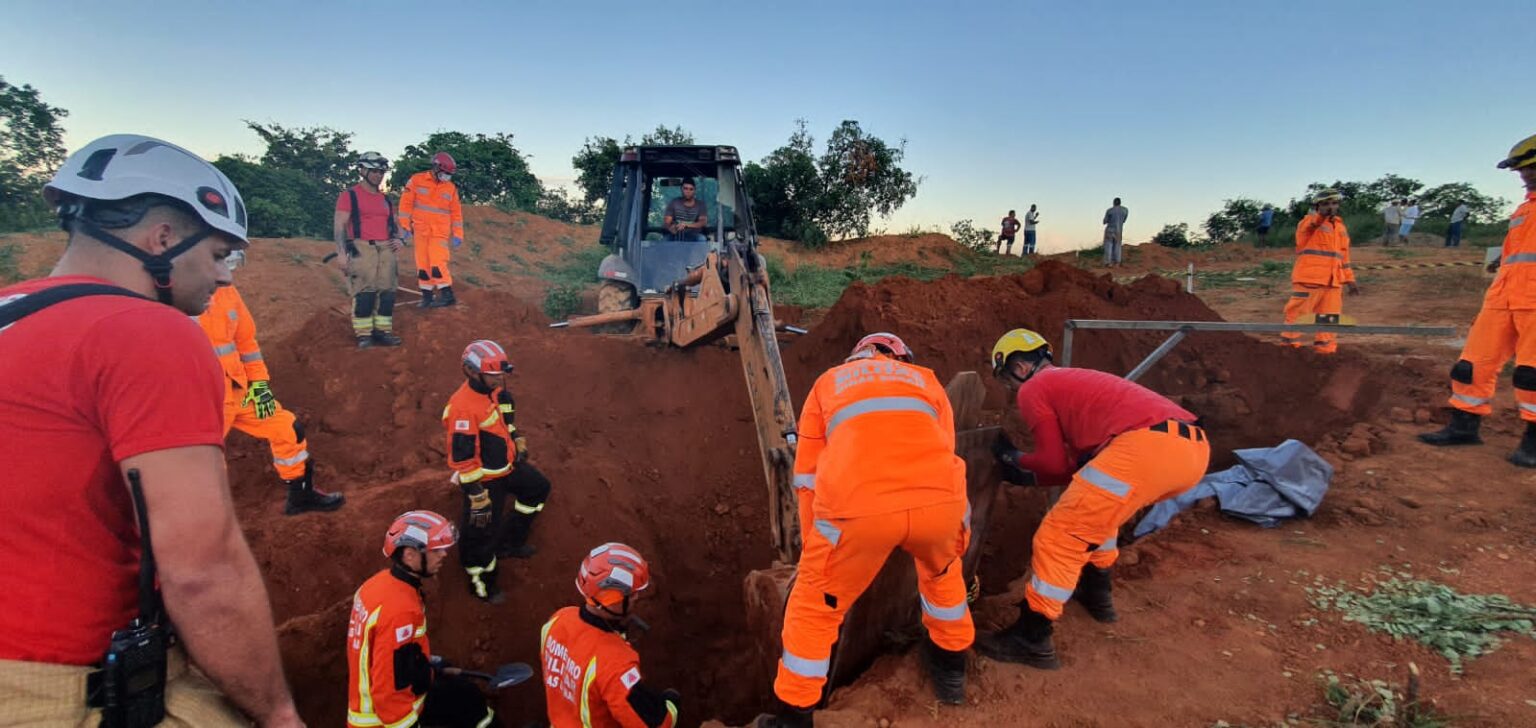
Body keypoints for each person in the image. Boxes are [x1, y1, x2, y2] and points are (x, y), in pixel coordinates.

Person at [0, 134, 300, 725]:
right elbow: (203, 569)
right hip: (57, 681)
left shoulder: (13, 312)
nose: (224, 278)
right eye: (219, 255)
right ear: (162, 239)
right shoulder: (143, 330)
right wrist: (279, 713)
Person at [758, 333, 972, 727]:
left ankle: (794, 717)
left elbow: (806, 477)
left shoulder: (828, 383)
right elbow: (947, 451)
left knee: (815, 608)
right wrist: (956, 531)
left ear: (854, 357)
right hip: (938, 507)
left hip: (858, 511)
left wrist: (814, 553)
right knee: (942, 577)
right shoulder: (926, 379)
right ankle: (951, 673)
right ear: (900, 357)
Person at [979, 329, 1210, 669]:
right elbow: (1068, 470)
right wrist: (1026, 472)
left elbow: (1053, 463)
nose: (1013, 389)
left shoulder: (1035, 388)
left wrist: (1014, 459)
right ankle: (1096, 593)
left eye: (1007, 379)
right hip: (1191, 451)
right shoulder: (1074, 385)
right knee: (1097, 512)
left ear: (1019, 367)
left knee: (1058, 536)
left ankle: (1031, 637)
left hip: (1144, 448)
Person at [1419, 133, 1536, 467]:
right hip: (1502, 297)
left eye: (1530, 168)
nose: (1524, 175)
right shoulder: (1525, 208)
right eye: (1521, 170)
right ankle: (1464, 426)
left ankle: (1533, 442)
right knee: (1471, 365)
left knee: (1531, 374)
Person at [196, 267, 344, 515]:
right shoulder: (172, 295)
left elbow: (246, 343)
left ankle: (301, 496)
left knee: (287, 428)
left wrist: (260, 385)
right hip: (201, 398)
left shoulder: (227, 291)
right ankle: (210, 521)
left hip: (239, 391)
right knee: (206, 460)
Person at [347, 510, 501, 728]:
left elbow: (388, 655)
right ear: (410, 555)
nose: (444, 555)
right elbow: (390, 690)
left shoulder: (375, 586)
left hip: (389, 699)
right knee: (468, 704)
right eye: (436, 550)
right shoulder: (401, 612)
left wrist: (427, 665)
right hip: (387, 720)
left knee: (467, 697)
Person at [442, 339, 552, 604]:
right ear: (471, 371)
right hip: (485, 480)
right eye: (492, 374)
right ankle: (482, 585)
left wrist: (517, 441)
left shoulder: (497, 393)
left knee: (538, 488)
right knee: (479, 534)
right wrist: (476, 493)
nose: (498, 379)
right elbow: (462, 458)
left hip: (507, 467)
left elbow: (505, 425)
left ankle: (510, 543)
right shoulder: (463, 408)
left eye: (500, 373)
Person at [539, 543, 681, 728]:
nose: (637, 597)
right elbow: (653, 724)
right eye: (632, 594)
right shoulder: (615, 665)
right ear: (611, 600)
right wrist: (671, 704)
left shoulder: (558, 620)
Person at [335, 151, 406, 348]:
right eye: (374, 171)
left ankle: (383, 331)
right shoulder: (349, 196)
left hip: (386, 248)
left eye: (382, 172)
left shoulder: (385, 199)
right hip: (361, 246)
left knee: (388, 292)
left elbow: (395, 223)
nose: (378, 175)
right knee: (365, 291)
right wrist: (341, 253)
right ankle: (364, 334)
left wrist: (401, 239)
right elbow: (340, 225)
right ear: (363, 171)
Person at [1282, 189, 1360, 354]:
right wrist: (1322, 216)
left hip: (1333, 282)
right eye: (1325, 204)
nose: (1330, 207)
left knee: (1329, 318)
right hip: (1309, 280)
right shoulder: (1308, 222)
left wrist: (1350, 280)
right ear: (1317, 206)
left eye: (1333, 203)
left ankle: (1326, 351)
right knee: (1298, 315)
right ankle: (1288, 350)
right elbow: (1314, 224)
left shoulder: (1340, 227)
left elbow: (1343, 257)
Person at [399, 152, 464, 308]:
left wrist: (458, 234)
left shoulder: (451, 188)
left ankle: (447, 295)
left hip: (439, 233)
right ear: (436, 167)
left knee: (437, 263)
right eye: (445, 173)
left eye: (449, 174)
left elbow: (456, 213)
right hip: (420, 231)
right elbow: (405, 204)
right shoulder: (416, 180)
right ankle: (427, 297)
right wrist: (404, 225)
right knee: (423, 266)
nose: (447, 176)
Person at [1102, 198, 1128, 266]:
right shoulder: (1125, 210)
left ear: (1114, 203)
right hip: (1119, 230)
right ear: (1120, 203)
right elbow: (1124, 220)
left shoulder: (1110, 210)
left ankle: (1108, 262)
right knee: (1117, 246)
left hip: (1110, 229)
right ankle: (1117, 262)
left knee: (1108, 245)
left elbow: (1105, 221)